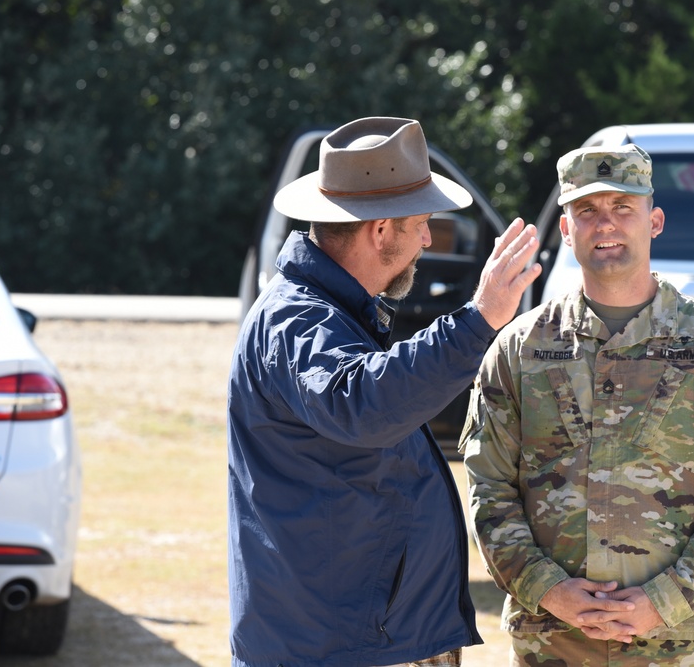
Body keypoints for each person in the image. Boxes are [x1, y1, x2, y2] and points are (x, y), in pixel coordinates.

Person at [226, 116, 542, 667]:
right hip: (337, 648)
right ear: (379, 231)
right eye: (421, 223)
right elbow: (363, 403)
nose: (427, 239)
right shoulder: (297, 321)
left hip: (353, 638)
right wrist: (478, 321)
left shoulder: (325, 312)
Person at [461, 144, 694, 666]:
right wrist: (548, 590)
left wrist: (664, 601)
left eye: (622, 208)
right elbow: (488, 488)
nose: (604, 224)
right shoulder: (521, 349)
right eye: (586, 211)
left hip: (683, 645)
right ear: (566, 231)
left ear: (653, 221)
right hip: (555, 642)